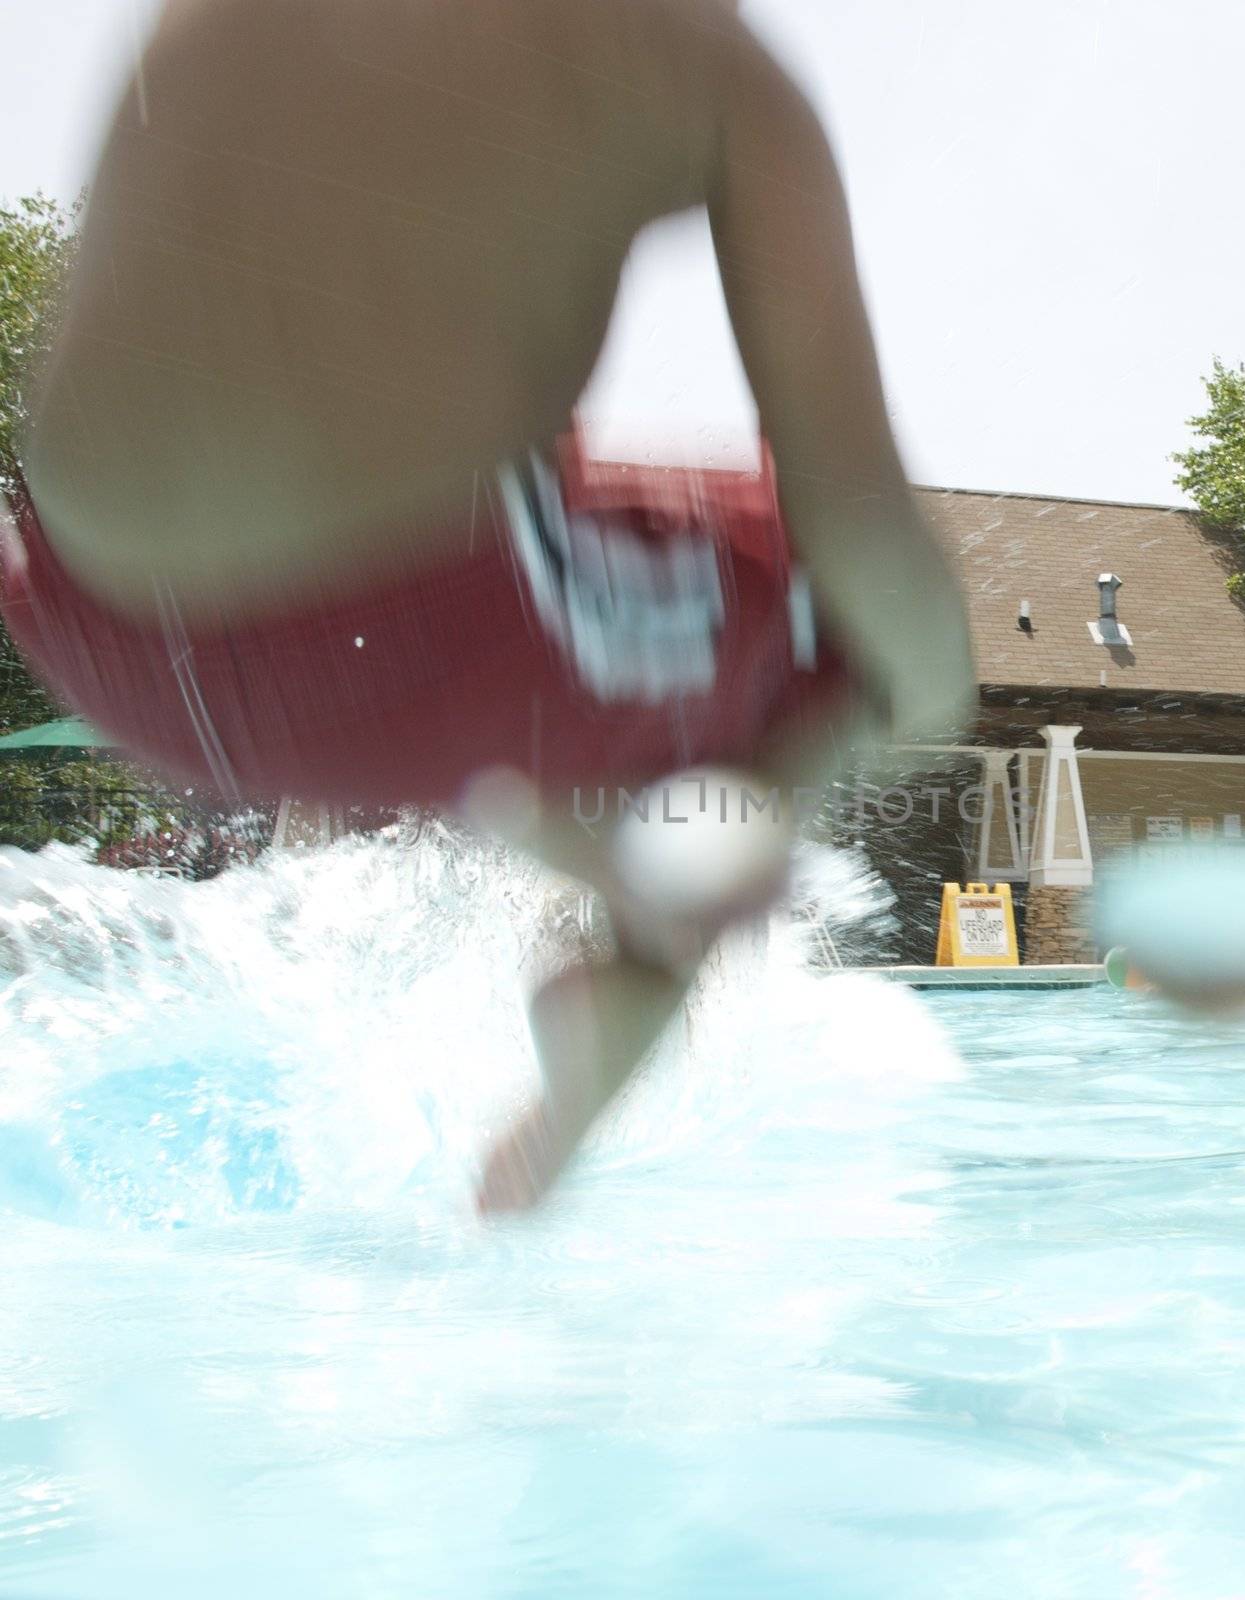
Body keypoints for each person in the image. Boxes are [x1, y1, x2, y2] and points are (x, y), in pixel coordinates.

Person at [0, 0, 974, 1212]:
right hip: (414, 632)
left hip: (88, 621)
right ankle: (627, 977)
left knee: (542, 543)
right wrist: (922, 691)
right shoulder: (705, 55)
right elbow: (862, 524)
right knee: (827, 625)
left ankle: (580, 841)